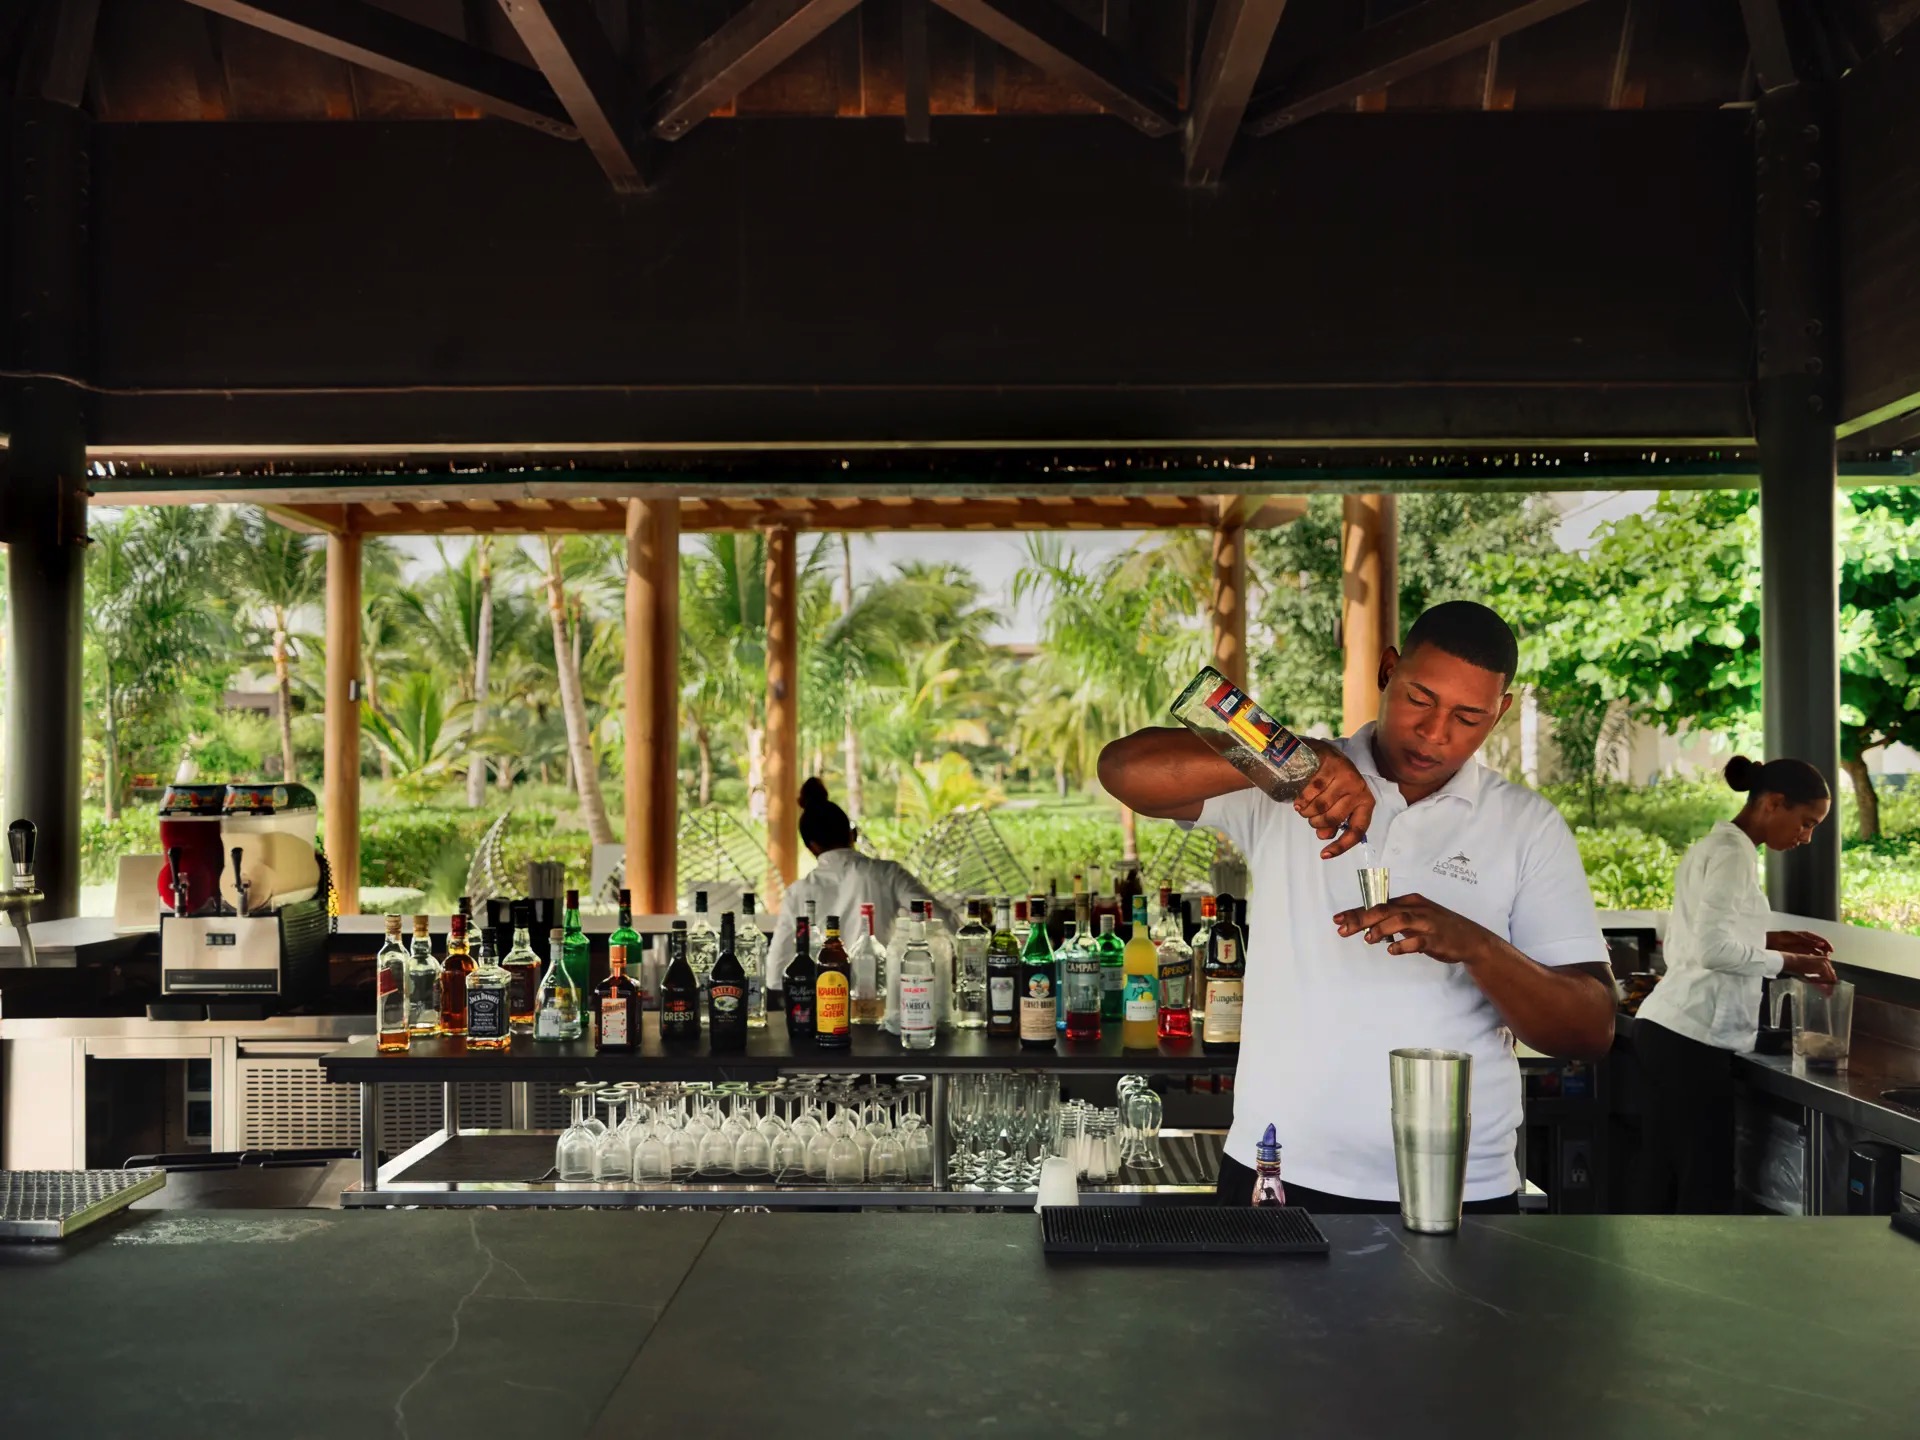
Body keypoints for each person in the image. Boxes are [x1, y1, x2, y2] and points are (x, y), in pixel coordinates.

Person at [1099, 601, 1616, 1212]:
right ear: (1388, 670)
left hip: (1457, 1186)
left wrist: (1476, 946)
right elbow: (1123, 769)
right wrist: (1294, 759)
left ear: (1499, 713)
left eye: (1468, 716)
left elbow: (1589, 1030)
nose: (1435, 732)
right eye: (1420, 699)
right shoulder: (1288, 781)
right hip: (1277, 1168)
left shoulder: (1527, 826)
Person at [1633, 755, 1837, 1214]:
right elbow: (1712, 951)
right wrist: (1792, 961)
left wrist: (1773, 939)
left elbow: (1695, 941)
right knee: (1704, 1190)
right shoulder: (1734, 855)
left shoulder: (1714, 846)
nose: (1806, 837)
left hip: (1667, 1031)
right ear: (1774, 803)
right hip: (1690, 1041)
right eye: (1807, 823)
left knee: (1663, 1178)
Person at [764, 778, 956, 995]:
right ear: (852, 834)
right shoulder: (888, 874)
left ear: (812, 847)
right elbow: (944, 920)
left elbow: (775, 972)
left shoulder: (798, 893)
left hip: (824, 1003)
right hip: (880, 1000)